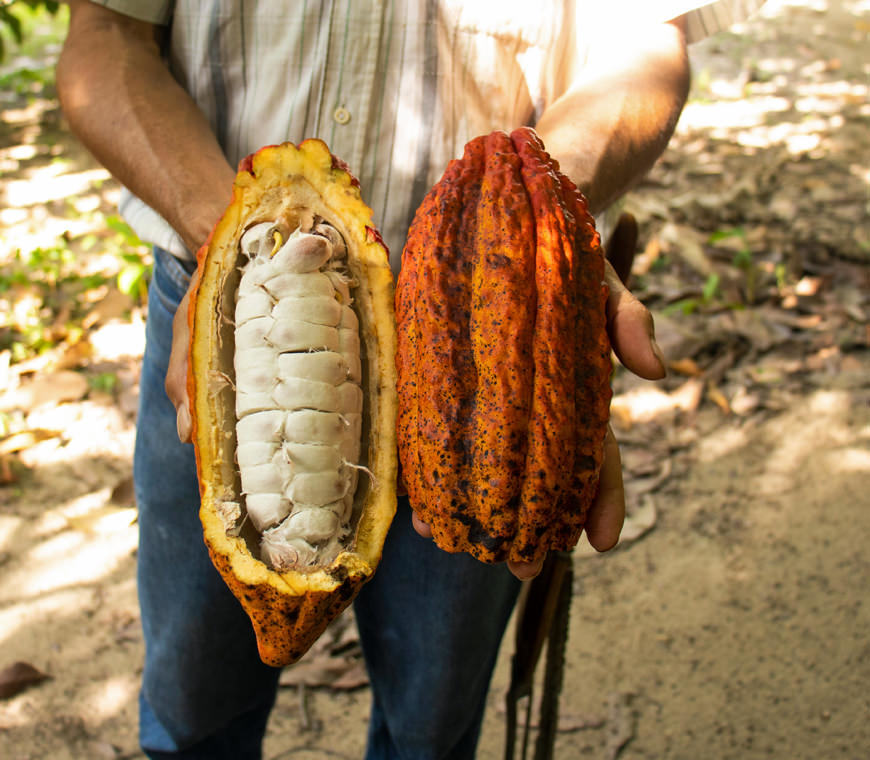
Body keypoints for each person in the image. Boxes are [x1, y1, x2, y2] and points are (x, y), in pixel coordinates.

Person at [56, 2, 762, 758]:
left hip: (485, 340)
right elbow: (107, 36)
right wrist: (234, 237)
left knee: (430, 723)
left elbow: (643, 44)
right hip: (237, 301)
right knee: (192, 704)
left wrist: (528, 235)